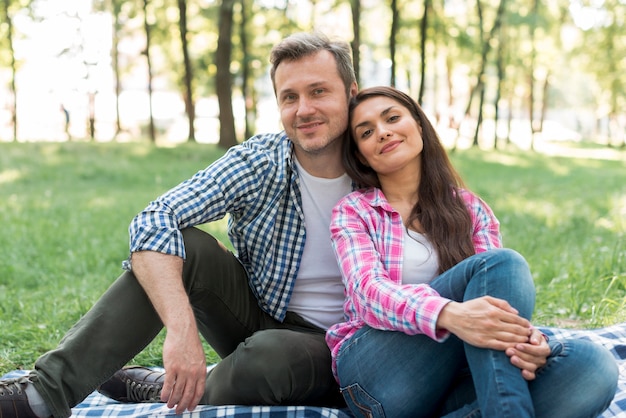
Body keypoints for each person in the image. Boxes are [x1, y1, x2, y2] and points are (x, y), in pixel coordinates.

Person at [0, 31, 358, 418]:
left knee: (271, 357)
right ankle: (43, 393)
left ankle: (164, 391)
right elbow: (155, 218)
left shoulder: (387, 162)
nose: (304, 109)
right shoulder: (262, 162)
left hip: (344, 346)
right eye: (290, 97)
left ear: (352, 93)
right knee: (183, 246)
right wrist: (181, 328)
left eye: (319, 91)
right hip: (261, 318)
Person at [325, 86, 619, 418]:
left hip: (460, 378)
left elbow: (498, 301)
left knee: (593, 367)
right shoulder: (353, 212)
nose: (383, 132)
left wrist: (526, 340)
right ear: (362, 154)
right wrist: (449, 314)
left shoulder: (472, 210)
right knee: (503, 263)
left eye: (392, 118)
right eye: (366, 132)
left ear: (419, 125)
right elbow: (367, 293)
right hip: (379, 378)